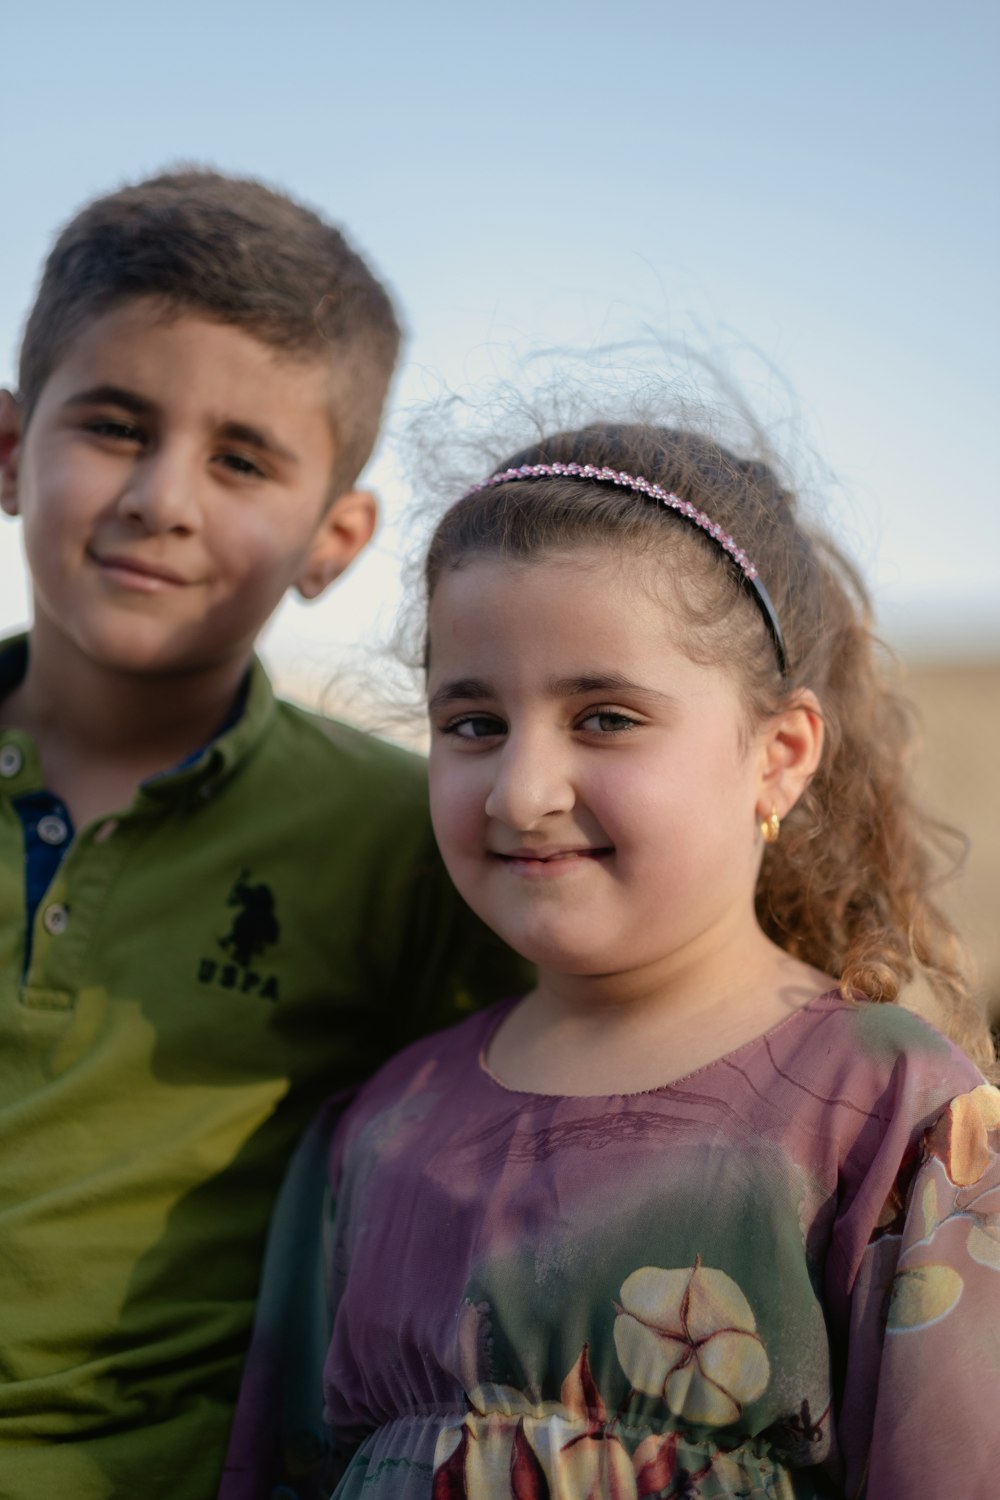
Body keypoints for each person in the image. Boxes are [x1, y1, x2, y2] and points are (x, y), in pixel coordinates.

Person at [222, 421, 1000, 1499]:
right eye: (474, 723)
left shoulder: (892, 1117)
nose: (521, 790)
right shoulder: (380, 1129)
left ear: (777, 758)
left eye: (604, 716)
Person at [0, 169, 522, 1500]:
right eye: (115, 426)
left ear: (335, 538)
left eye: (242, 460)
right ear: (12, 451)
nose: (163, 499)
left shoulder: (400, 842)